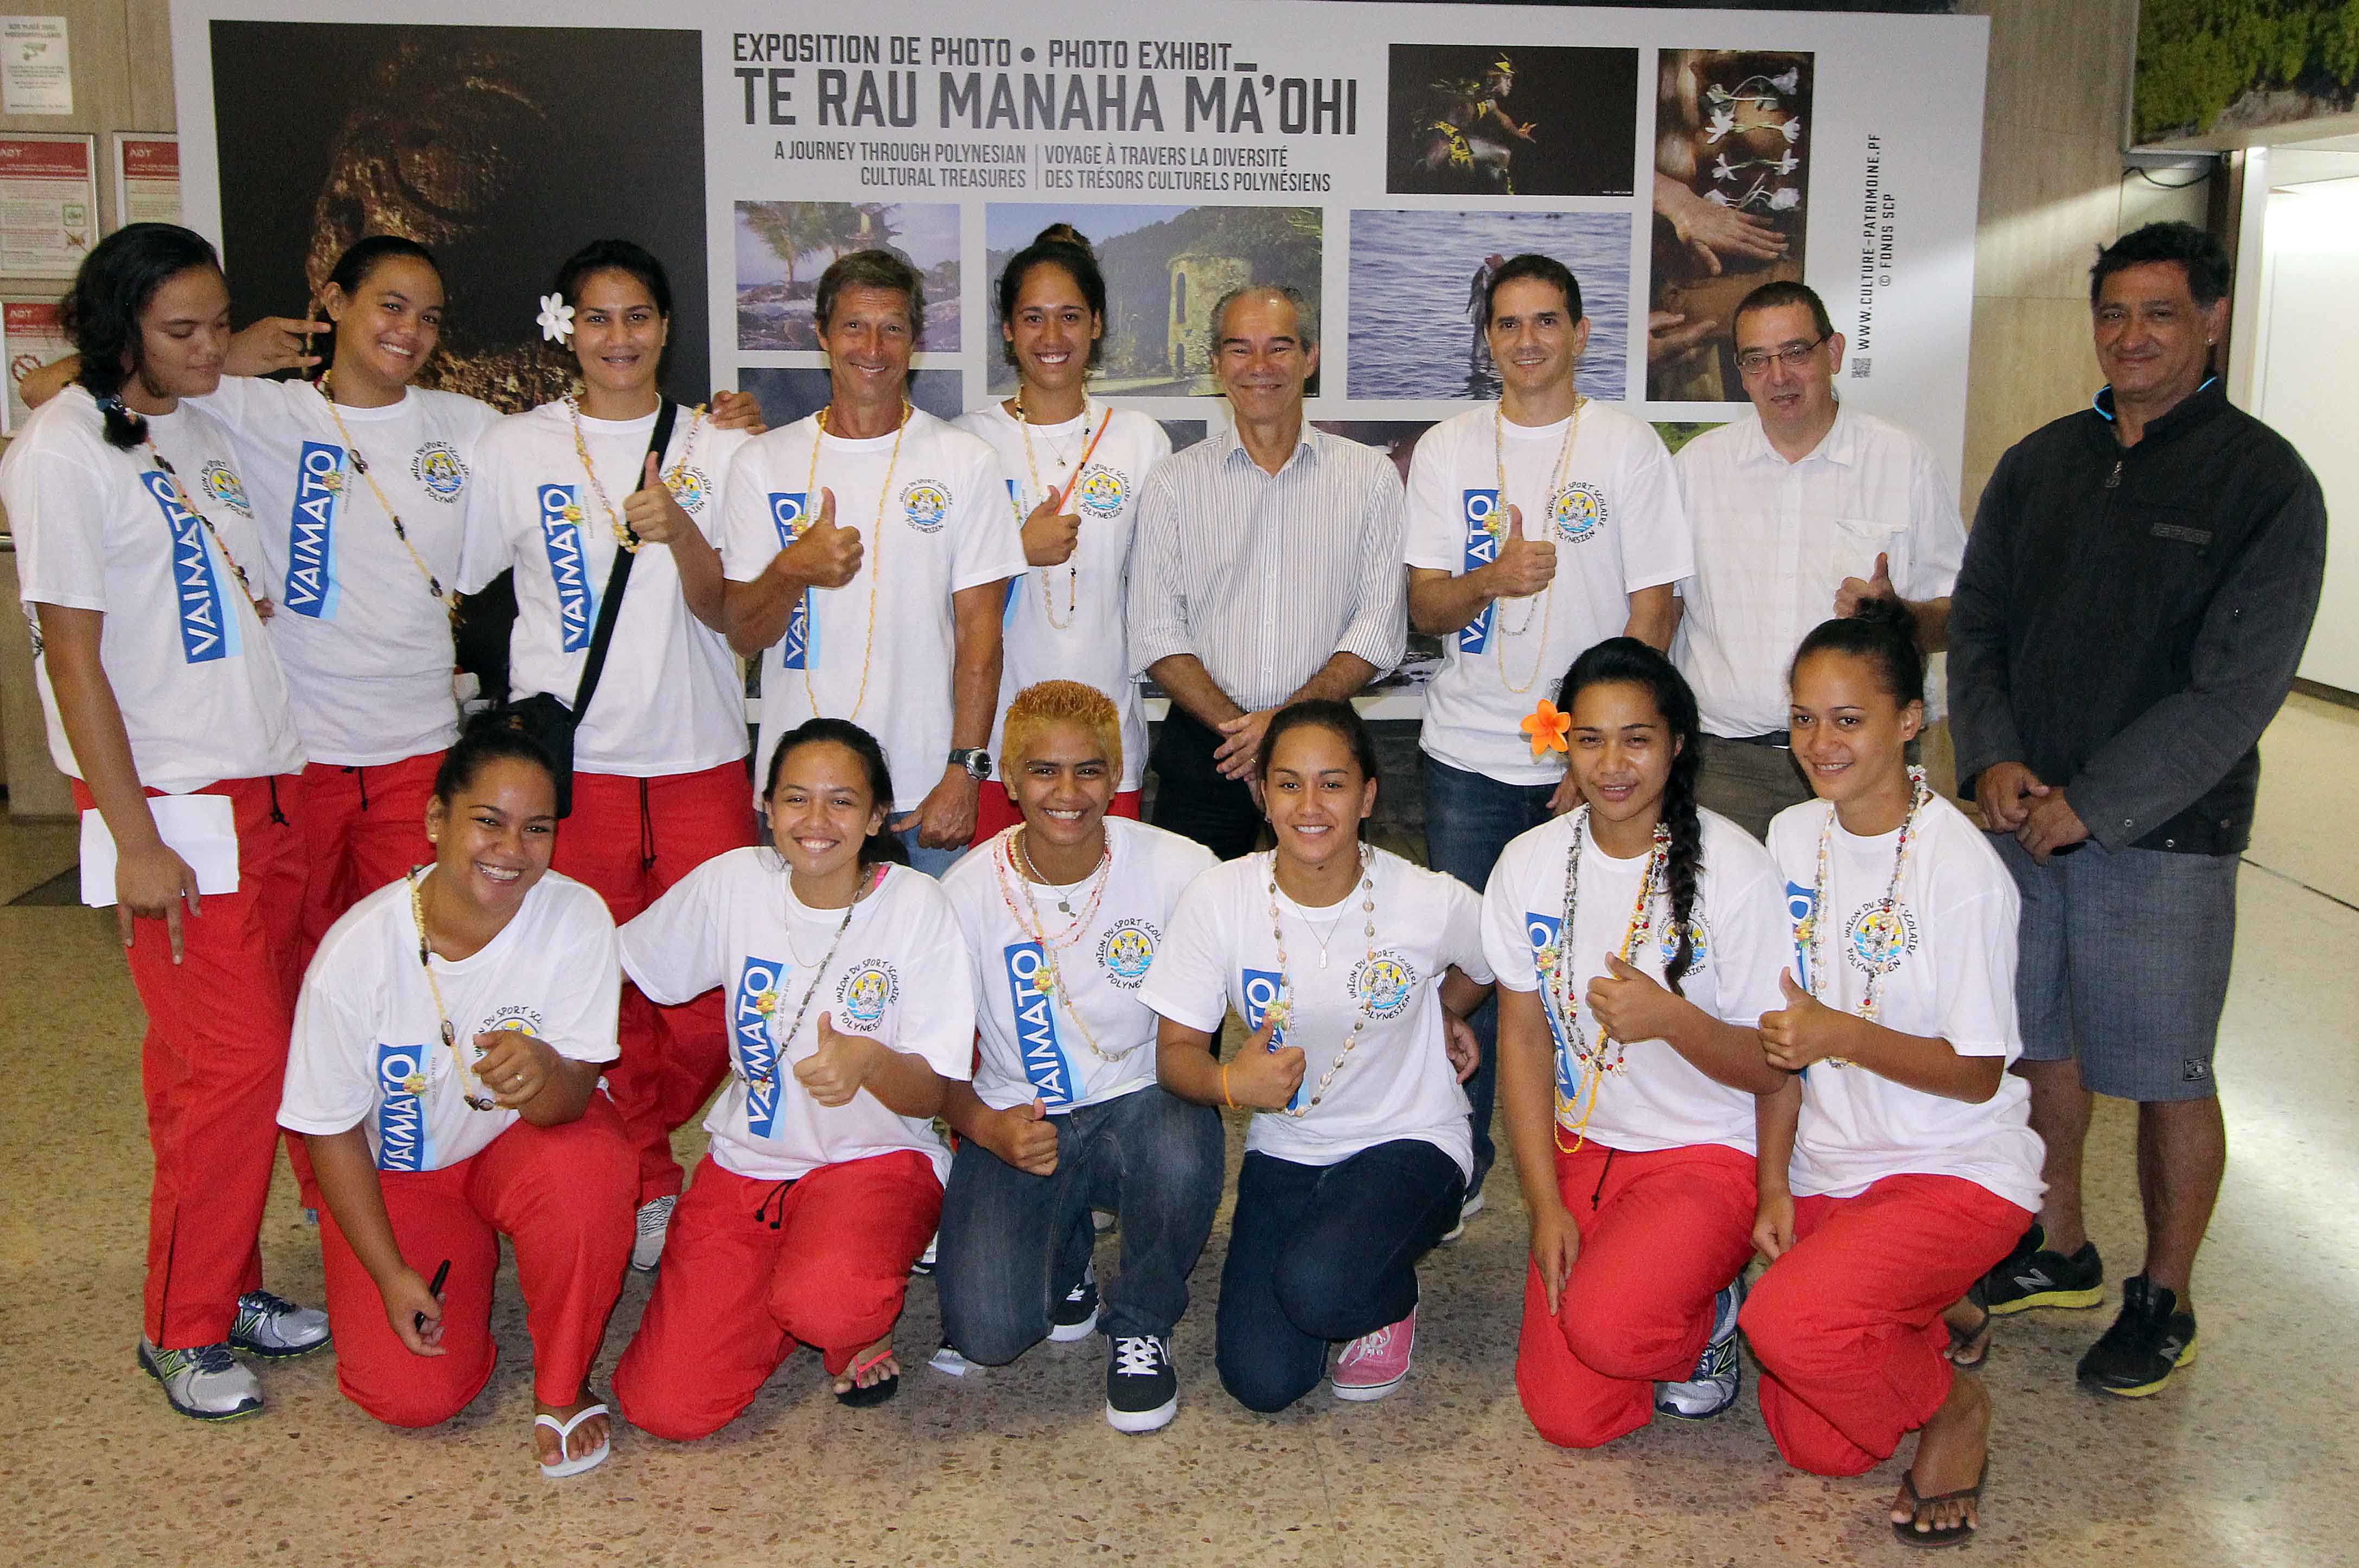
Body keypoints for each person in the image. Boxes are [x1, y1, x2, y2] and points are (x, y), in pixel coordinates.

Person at [1948, 220, 2327, 1397]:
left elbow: (2233, 693)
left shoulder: (2264, 484)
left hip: (2161, 839)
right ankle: (2057, 1244)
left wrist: (2096, 805)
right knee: (2038, 1044)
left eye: (2158, 313)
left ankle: (2161, 1295)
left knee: (2163, 1071)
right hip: (2020, 822)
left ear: (2210, 320)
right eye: (2112, 313)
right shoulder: (2040, 462)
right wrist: (1993, 759)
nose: (2131, 336)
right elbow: (1979, 627)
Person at [1, 222, 328, 1419]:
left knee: (233, 1062)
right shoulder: (61, 452)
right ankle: (179, 1327)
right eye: (180, 331)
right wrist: (134, 834)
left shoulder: (194, 425)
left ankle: (228, 1283)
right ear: (121, 328)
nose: (209, 349)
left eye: (215, 323)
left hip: (267, 784)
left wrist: (221, 362)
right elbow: (72, 660)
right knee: (227, 1070)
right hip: (176, 809)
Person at [456, 239, 758, 1274]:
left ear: (667, 328)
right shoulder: (515, 449)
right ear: (565, 330)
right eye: (596, 318)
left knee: (723, 995)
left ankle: (654, 1127)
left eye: (637, 317)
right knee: (598, 988)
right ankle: (644, 1177)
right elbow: (452, 564)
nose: (617, 338)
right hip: (572, 768)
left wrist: (681, 530)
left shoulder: (720, 450)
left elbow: (745, 611)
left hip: (700, 753)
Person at [1742, 599, 2044, 1548]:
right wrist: (1772, 1183)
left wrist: (1843, 1033)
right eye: (1801, 718)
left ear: (1910, 721)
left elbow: (1976, 1072)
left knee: (1785, 1327)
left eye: (1847, 719)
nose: (1818, 743)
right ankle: (1926, 1310)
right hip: (1837, 1166)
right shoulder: (1792, 838)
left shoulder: (1961, 871)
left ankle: (1955, 1408)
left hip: (1952, 1165)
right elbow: (1782, 1037)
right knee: (1818, 1447)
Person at [1406, 252, 1692, 1223]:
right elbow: (1423, 605)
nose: (1525, 342)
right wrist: (1489, 578)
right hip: (1469, 759)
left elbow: (1654, 607)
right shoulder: (1448, 449)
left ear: (1577, 333)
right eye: (1506, 325)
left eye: (1543, 322)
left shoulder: (1625, 446)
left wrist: (1601, 750)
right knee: (1475, 964)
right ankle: (1465, 1153)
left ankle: (1604, 1148)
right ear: (1486, 342)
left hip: (1596, 761)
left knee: (1602, 956)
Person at [277, 721, 633, 1476]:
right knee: (413, 1397)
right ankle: (453, 1265)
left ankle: (564, 1385)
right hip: (403, 1172)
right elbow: (331, 1131)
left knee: (592, 1168)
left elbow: (573, 1100)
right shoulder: (355, 955)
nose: (511, 849)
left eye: (536, 828)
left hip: (517, 1145)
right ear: (436, 819)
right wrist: (389, 1272)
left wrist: (543, 1074)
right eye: (488, 821)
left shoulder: (577, 918)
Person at [612, 719, 973, 1433]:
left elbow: (935, 1093)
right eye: (796, 799)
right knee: (667, 1409)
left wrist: (869, 1061)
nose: (815, 821)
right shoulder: (733, 883)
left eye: (842, 802)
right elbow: (624, 963)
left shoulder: (915, 906)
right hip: (747, 1165)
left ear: (875, 817)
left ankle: (845, 1319)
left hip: (874, 1163)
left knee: (829, 1302)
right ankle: (787, 1297)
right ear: (767, 807)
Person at [1144, 701, 1491, 1412]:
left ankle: (1388, 1289)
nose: (1310, 805)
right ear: (1262, 794)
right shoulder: (1220, 897)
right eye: (1288, 783)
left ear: (1368, 795)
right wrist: (1231, 1082)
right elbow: (1174, 1057)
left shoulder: (1425, 898)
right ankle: (1351, 1255)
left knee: (1325, 1288)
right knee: (1264, 1380)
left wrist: (1446, 1010)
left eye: (1333, 784)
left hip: (1410, 1134)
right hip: (1290, 1144)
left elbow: (1494, 961)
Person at [1485, 638, 1787, 1448]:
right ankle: (1676, 1313)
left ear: (1677, 745)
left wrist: (1672, 1019)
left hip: (1704, 1155)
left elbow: (1771, 1065)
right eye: (1589, 739)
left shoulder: (1737, 867)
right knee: (1569, 1417)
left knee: (1611, 1331)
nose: (1612, 763)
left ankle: (1712, 1309)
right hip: (1584, 1148)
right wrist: (1544, 1202)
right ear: (1563, 743)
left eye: (1637, 738)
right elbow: (1522, 1040)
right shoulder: (1527, 864)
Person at [935, 681, 1222, 1431]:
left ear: (1118, 775)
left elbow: (1262, 976)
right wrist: (984, 1126)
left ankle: (1142, 1323)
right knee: (990, 1334)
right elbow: (929, 1063)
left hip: (1142, 1098)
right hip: (1020, 1116)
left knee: (1181, 1130)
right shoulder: (963, 894)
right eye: (1043, 771)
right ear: (1007, 778)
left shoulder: (1180, 866)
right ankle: (1065, 1265)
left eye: (1090, 770)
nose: (1068, 792)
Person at [723, 248, 1023, 876]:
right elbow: (746, 633)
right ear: (822, 335)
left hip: (920, 796)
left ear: (915, 340)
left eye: (892, 328)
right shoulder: (762, 463)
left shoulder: (963, 461)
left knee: (924, 973)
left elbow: (980, 637)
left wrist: (964, 772)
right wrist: (791, 569)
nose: (873, 347)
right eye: (855, 326)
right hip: (800, 797)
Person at [1671, 280, 1965, 840]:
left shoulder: (1902, 461)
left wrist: (1897, 614)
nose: (1777, 376)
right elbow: (1666, 611)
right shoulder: (1696, 469)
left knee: (1859, 926)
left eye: (1795, 353)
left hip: (1863, 764)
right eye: (1756, 360)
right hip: (1727, 770)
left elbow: (1961, 615)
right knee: (1724, 927)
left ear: (1832, 353)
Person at [1129, 285, 1407, 860]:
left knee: (1327, 928)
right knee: (1199, 933)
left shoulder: (1370, 478)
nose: (1259, 368)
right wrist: (1245, 733)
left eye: (1279, 348)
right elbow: (1156, 631)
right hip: (1207, 754)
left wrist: (1282, 728)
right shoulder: (1173, 483)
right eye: (1239, 349)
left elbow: (1379, 627)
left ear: (1310, 358)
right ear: (1215, 364)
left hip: (1325, 760)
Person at [952, 230, 1171, 840]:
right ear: (1007, 329)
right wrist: (1013, 552)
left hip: (1107, 742)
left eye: (1070, 316)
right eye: (1033, 318)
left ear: (1097, 324)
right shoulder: (964, 442)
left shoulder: (1139, 439)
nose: (1052, 338)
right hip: (996, 743)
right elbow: (922, 590)